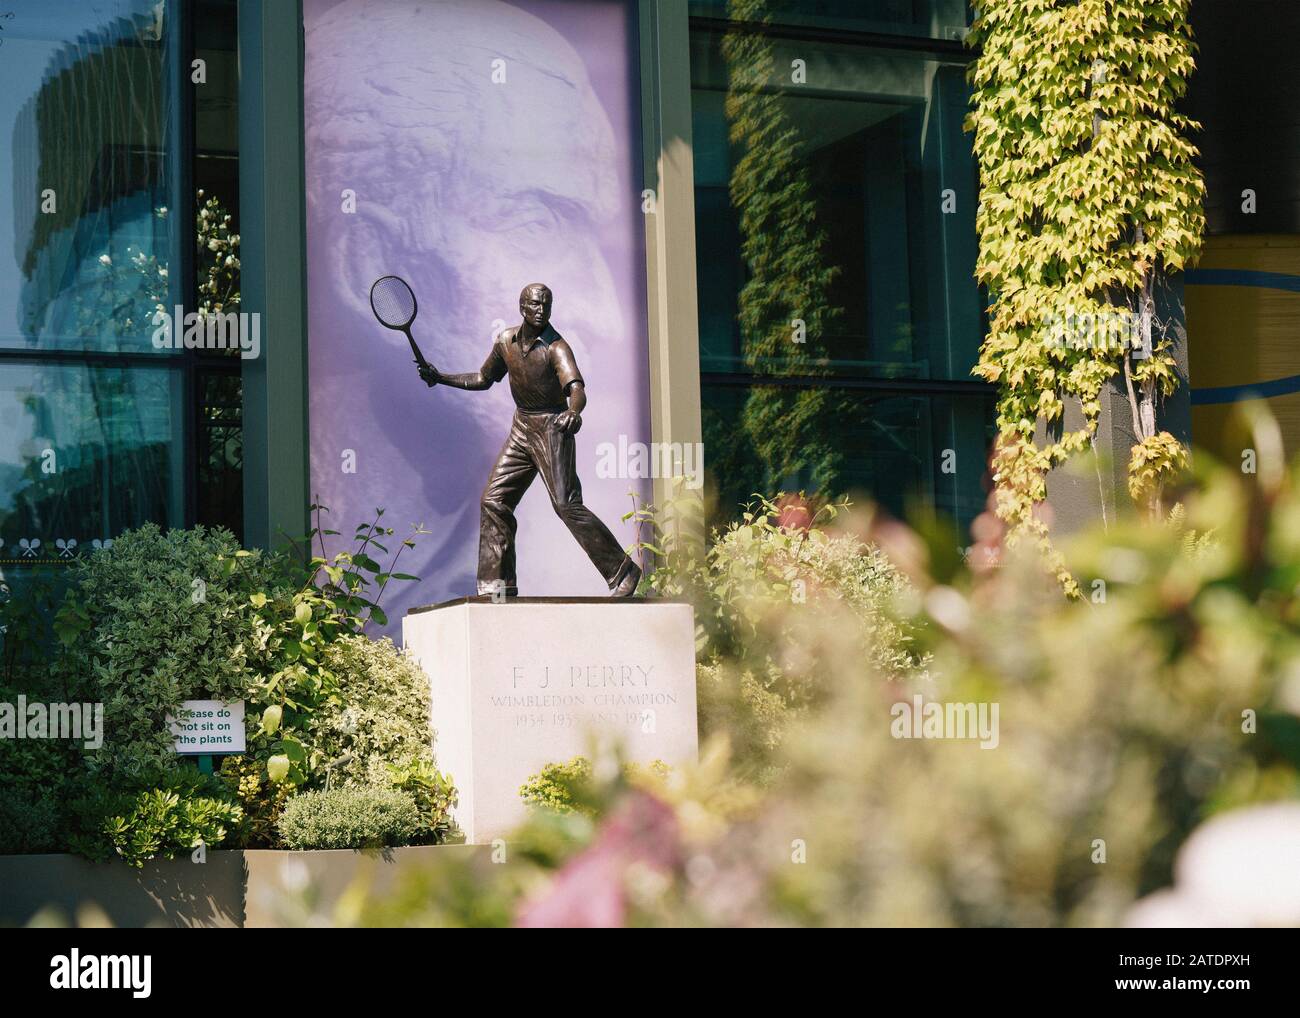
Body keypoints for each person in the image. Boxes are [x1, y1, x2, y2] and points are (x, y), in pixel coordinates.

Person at [421, 283, 640, 598]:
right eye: (536, 304)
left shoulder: (557, 347)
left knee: (566, 505)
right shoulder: (505, 342)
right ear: (522, 307)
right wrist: (440, 377)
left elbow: (576, 390)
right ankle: (497, 589)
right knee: (494, 500)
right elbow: (483, 378)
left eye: (546, 305)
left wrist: (573, 412)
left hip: (552, 428)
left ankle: (623, 571)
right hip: (522, 427)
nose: (542, 310)